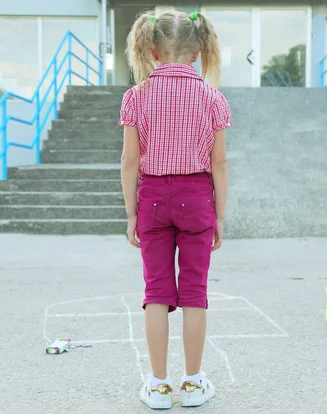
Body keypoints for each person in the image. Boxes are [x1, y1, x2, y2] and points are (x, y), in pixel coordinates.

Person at [118, 9, 232, 410]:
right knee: (195, 293)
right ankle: (194, 383)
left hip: (151, 197)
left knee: (157, 294)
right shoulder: (211, 96)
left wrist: (132, 213)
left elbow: (130, 161)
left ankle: (159, 386)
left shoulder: (137, 95)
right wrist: (218, 215)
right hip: (197, 196)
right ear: (197, 51)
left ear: (152, 49)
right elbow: (219, 163)